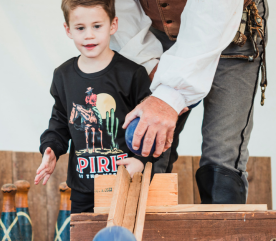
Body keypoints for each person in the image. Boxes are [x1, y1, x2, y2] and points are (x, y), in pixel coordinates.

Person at [112, 0, 268, 204]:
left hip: (230, 27)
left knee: (221, 162)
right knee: (147, 151)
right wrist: (147, 61)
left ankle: (221, 234)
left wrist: (169, 95)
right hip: (155, 34)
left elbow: (212, 10)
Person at [34, 0, 152, 213]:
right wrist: (51, 148)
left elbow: (150, 125)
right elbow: (60, 121)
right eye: (80, 28)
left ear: (113, 25)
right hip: (83, 189)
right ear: (68, 30)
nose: (89, 35)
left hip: (126, 183)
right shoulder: (63, 76)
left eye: (97, 26)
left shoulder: (133, 74)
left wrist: (141, 160)